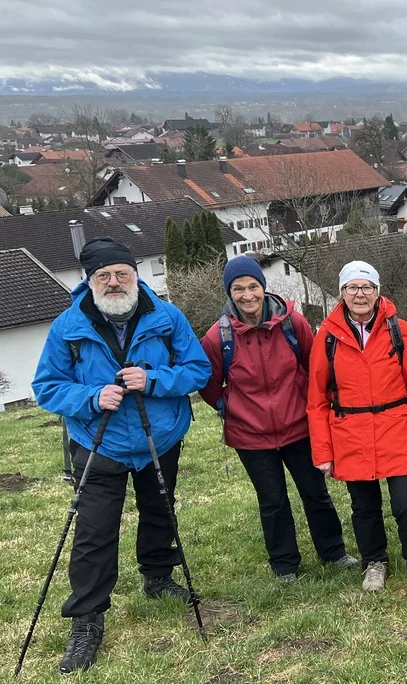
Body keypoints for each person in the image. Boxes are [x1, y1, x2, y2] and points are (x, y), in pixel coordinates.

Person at [32, 237, 212, 674]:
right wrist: (92, 397)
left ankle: (157, 575)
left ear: (135, 276)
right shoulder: (67, 326)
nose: (114, 282)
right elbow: (47, 386)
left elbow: (197, 369)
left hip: (160, 436)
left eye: (122, 274)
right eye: (104, 276)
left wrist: (152, 379)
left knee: (160, 509)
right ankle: (87, 619)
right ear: (89, 280)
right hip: (99, 441)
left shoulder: (167, 317)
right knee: (94, 529)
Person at [199, 256, 357, 582]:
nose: (247, 295)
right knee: (272, 501)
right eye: (238, 288)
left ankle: (334, 552)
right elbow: (208, 383)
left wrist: (312, 405)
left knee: (315, 493)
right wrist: (229, 406)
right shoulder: (218, 338)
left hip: (298, 426)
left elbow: (313, 367)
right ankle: (285, 565)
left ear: (263, 287)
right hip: (250, 435)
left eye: (253, 286)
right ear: (229, 293)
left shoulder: (292, 323)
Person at [307, 261, 407, 600]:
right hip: (350, 433)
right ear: (342, 293)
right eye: (353, 287)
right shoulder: (327, 336)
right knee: (363, 507)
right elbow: (317, 399)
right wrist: (323, 451)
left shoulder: (400, 330)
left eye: (367, 287)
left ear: (378, 291)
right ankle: (374, 561)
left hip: (396, 429)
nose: (360, 294)